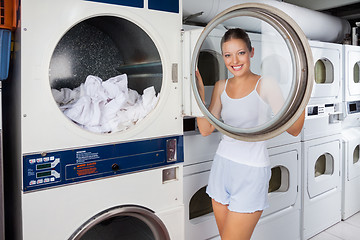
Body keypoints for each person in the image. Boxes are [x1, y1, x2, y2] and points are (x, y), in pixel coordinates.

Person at [196, 28, 305, 240]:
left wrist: (303, 91)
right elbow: (206, 129)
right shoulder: (220, 86)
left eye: (241, 53)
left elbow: (294, 129)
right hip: (222, 167)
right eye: (228, 55)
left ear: (251, 52)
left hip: (252, 172)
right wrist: (199, 94)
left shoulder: (265, 84)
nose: (234, 60)